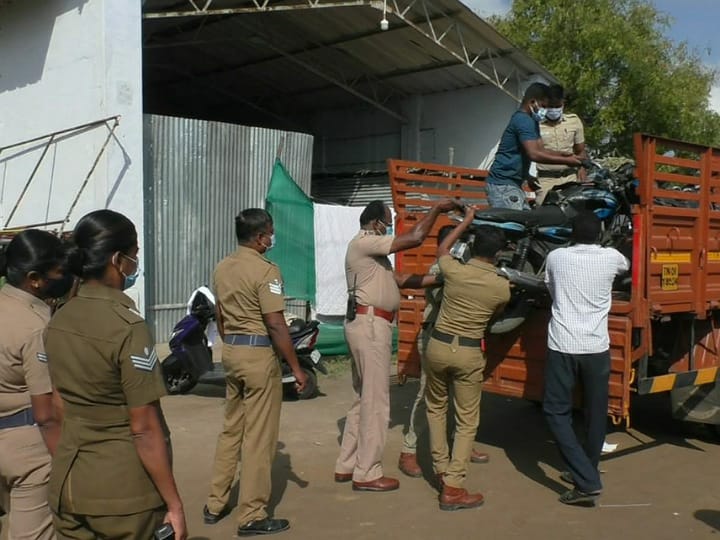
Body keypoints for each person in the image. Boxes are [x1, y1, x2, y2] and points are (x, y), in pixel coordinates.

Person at [44, 210, 187, 539]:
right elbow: (145, 429)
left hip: (69, 486)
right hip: (122, 494)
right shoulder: (128, 327)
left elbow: (59, 406)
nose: (135, 264)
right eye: (134, 256)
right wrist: (174, 504)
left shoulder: (58, 320)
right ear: (117, 260)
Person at [335, 198, 460, 492]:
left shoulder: (373, 253)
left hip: (366, 323)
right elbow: (416, 237)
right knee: (377, 402)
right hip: (369, 324)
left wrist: (441, 278)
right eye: (388, 220)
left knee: (362, 398)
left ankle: (348, 464)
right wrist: (438, 210)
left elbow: (402, 279)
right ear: (376, 221)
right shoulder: (366, 243)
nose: (390, 225)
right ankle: (367, 472)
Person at [203, 208, 307, 537]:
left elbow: (219, 314)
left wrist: (231, 343)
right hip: (258, 354)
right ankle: (251, 514)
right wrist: (295, 367)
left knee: (231, 429)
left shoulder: (223, 267)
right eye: (270, 233)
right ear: (261, 237)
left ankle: (215, 503)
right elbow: (276, 322)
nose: (272, 238)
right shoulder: (267, 271)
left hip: (232, 351)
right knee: (259, 439)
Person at [424, 207, 511, 511]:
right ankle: (453, 485)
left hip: (436, 346)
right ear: (499, 254)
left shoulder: (453, 270)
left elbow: (443, 248)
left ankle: (439, 468)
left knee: (435, 409)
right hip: (469, 352)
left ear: (472, 247)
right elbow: (498, 315)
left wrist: (466, 221)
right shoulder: (501, 287)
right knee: (466, 421)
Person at [542, 211, 630, 506]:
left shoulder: (556, 257)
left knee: (556, 412)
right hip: (596, 346)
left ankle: (586, 479)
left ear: (571, 233)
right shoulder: (612, 257)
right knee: (595, 412)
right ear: (600, 233)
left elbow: (550, 288)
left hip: (563, 343)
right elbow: (626, 266)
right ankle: (585, 469)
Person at [397, 225, 490, 478]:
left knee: (462, 399)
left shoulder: (464, 270)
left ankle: (461, 446)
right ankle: (409, 449)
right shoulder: (441, 269)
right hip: (435, 336)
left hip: (460, 341)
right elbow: (444, 298)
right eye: (461, 242)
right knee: (427, 396)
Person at [0, 230, 71, 540]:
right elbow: (46, 413)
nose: (63, 276)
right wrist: (67, 460)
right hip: (26, 446)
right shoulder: (35, 327)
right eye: (58, 270)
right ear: (35, 279)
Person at [485, 82, 585, 210]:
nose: (545, 111)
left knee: (529, 223)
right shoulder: (523, 120)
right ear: (533, 102)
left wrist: (565, 154)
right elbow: (534, 154)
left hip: (513, 184)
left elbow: (541, 150)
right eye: (544, 106)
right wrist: (567, 161)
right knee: (517, 225)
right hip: (503, 185)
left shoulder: (532, 121)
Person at [534, 84, 588, 205]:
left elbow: (580, 150)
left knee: (573, 214)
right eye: (550, 106)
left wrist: (582, 169)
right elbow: (531, 152)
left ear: (563, 103)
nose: (553, 110)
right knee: (545, 217)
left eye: (557, 106)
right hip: (546, 180)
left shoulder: (574, 121)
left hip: (570, 178)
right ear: (544, 103)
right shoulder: (535, 124)